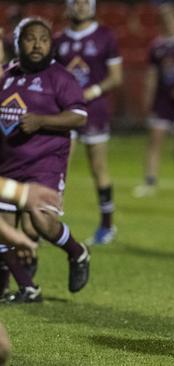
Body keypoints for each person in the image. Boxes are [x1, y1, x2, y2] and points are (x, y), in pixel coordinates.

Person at [0, 17, 91, 303]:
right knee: (2, 229)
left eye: (44, 38)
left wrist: (41, 121)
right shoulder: (6, 74)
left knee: (39, 223)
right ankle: (27, 288)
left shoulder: (60, 77)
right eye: (30, 38)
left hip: (44, 164)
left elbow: (80, 116)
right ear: (17, 43)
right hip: (7, 166)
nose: (37, 44)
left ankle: (77, 252)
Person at [54, 0, 122, 244]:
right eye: (75, 1)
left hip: (95, 111)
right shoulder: (59, 40)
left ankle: (106, 225)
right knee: (57, 168)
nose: (80, 6)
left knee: (98, 168)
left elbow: (116, 78)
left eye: (85, 1)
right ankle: (47, 222)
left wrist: (90, 93)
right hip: (65, 112)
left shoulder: (105, 36)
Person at [132, 3, 174, 198]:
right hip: (162, 100)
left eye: (171, 18)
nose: (168, 22)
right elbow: (152, 74)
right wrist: (148, 98)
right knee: (155, 141)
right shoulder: (157, 45)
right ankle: (150, 181)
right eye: (164, 19)